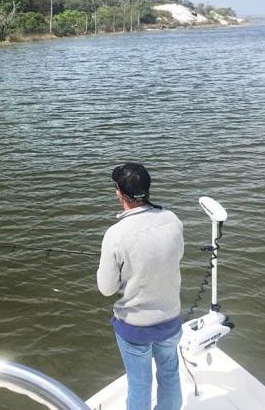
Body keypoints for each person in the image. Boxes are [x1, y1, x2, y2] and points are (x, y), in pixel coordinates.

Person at [97, 163, 184, 410]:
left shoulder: (115, 234)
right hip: (170, 319)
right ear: (147, 190)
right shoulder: (172, 220)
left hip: (135, 328)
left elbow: (106, 288)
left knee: (139, 384)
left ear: (119, 193)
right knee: (170, 373)